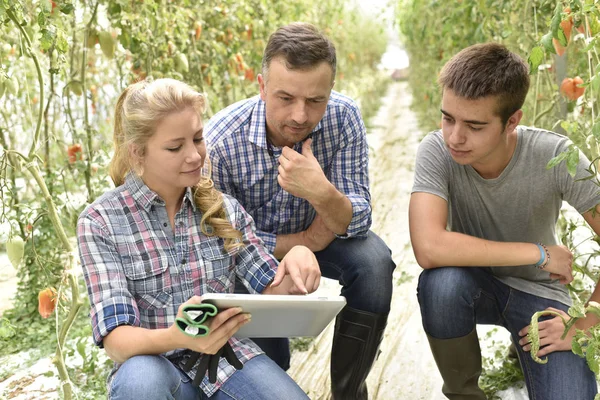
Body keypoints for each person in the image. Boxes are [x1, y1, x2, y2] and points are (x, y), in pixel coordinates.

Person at [77, 78, 322, 400]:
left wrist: (298, 261)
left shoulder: (223, 209)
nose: (195, 156)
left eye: (198, 139)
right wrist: (179, 336)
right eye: (175, 147)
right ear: (138, 152)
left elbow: (272, 286)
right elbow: (116, 340)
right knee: (139, 383)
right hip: (152, 362)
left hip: (226, 358)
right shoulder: (101, 222)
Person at [204, 22, 395, 400]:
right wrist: (302, 241)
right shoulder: (222, 140)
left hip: (325, 240)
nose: (300, 115)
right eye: (285, 97)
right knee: (273, 361)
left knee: (374, 263)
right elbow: (224, 240)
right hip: (251, 255)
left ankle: (349, 390)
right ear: (261, 86)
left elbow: (357, 219)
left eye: (315, 101)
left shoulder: (343, 117)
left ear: (330, 91)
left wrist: (321, 192)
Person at [409, 42, 600, 399]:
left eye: (474, 125)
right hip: (472, 285)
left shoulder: (557, 155)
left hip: (540, 296)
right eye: (448, 118)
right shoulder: (436, 151)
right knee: (440, 285)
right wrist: (539, 253)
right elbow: (429, 247)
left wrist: (585, 323)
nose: (454, 137)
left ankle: (523, 339)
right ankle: (464, 393)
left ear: (512, 121)